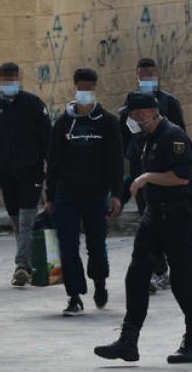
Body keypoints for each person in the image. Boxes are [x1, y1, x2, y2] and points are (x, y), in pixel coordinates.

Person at [96, 93, 192, 365]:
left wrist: (147, 178)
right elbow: (134, 176)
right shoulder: (144, 138)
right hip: (153, 216)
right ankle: (128, 341)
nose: (129, 120)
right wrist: (120, 197)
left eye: (132, 115)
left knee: (182, 281)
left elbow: (181, 178)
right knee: (136, 275)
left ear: (144, 113)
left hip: (178, 217)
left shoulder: (173, 136)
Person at [45, 68, 123, 316]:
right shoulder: (64, 123)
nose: (85, 93)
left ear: (95, 89)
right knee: (68, 246)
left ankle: (99, 282)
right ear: (75, 88)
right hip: (66, 195)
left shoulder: (108, 122)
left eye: (90, 88)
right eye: (82, 88)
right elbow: (53, 161)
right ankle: (74, 295)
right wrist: (50, 197)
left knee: (96, 246)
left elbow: (115, 162)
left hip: (96, 195)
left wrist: (116, 194)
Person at [0, 62, 52, 287]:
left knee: (27, 219)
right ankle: (28, 264)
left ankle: (21, 265)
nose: (9, 82)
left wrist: (48, 171)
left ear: (19, 78)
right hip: (7, 175)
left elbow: (47, 139)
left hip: (31, 172)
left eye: (13, 77)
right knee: (17, 221)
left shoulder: (32, 104)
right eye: (5, 78)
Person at [118, 58, 186, 292]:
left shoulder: (169, 104)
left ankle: (172, 270)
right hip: (141, 173)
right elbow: (123, 144)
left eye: (151, 73)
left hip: (165, 175)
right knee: (148, 222)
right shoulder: (127, 110)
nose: (147, 78)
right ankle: (158, 270)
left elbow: (181, 138)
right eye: (143, 74)